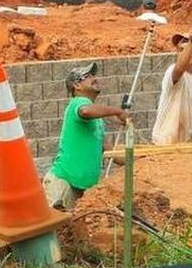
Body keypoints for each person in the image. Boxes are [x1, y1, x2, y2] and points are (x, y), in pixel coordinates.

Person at [43, 64, 129, 210]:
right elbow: (85, 112)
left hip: (81, 189)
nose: (95, 79)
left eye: (94, 76)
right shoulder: (79, 103)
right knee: (61, 229)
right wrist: (116, 111)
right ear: (77, 85)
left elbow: (109, 151)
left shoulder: (96, 120)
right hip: (64, 184)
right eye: (88, 76)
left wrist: (136, 160)